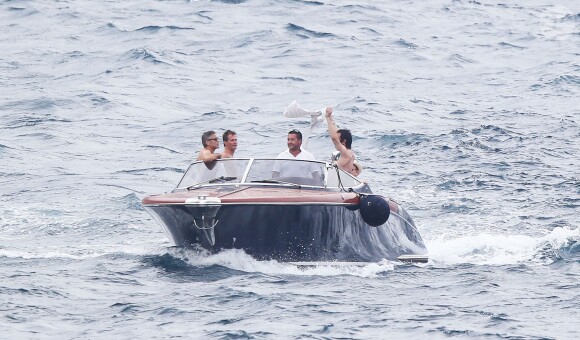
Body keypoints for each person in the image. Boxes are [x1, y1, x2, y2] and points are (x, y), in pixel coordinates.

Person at [325, 107, 360, 176]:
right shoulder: (350, 154)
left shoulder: (345, 153)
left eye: (339, 139)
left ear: (344, 141)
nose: (336, 142)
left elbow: (334, 138)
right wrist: (330, 116)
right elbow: (336, 133)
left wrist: (327, 118)